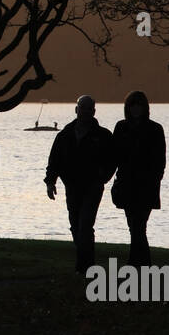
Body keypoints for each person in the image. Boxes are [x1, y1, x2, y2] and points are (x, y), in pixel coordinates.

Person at [45, 95, 116, 273]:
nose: (85, 111)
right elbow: (54, 161)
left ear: (94, 111)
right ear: (76, 110)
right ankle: (86, 260)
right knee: (75, 225)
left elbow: (112, 160)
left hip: (93, 187)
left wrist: (103, 177)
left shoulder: (104, 135)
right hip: (71, 186)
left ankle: (85, 266)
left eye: (89, 108)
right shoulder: (64, 135)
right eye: (82, 108)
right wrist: (50, 182)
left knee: (85, 224)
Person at [111, 90, 166, 267]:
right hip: (126, 185)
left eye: (139, 105)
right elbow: (113, 156)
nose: (136, 109)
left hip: (146, 186)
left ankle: (137, 263)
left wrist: (154, 180)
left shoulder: (155, 129)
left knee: (138, 225)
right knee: (134, 226)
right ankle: (141, 263)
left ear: (145, 108)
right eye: (132, 105)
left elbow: (160, 161)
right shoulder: (121, 127)